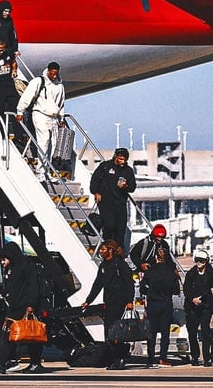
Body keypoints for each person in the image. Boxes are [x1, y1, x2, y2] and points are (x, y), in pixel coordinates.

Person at [0, 242, 46, 375]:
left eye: (4, 259)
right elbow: (12, 286)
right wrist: (1, 292)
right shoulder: (13, 267)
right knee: (17, 335)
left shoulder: (26, 265)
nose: (2, 262)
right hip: (15, 306)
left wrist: (31, 305)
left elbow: (33, 286)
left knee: (25, 335)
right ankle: (27, 363)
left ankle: (3, 363)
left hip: (24, 307)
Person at [80, 240, 135, 371]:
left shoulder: (120, 265)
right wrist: (88, 300)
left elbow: (129, 283)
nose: (101, 252)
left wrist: (129, 301)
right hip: (109, 303)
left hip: (120, 302)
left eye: (103, 250)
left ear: (110, 250)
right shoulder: (104, 265)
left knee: (116, 332)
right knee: (109, 332)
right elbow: (98, 284)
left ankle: (119, 358)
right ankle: (115, 358)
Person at [183, 249, 213, 367]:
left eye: (202, 261)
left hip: (206, 306)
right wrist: (192, 299)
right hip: (192, 307)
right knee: (192, 333)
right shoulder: (191, 274)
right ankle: (195, 356)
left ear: (206, 262)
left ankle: (207, 358)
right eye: (197, 260)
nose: (199, 263)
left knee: (205, 331)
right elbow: (186, 290)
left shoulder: (210, 274)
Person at [15, 61, 65, 163]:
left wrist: (62, 118)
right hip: (40, 114)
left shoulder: (60, 86)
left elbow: (61, 104)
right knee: (44, 141)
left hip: (54, 117)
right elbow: (27, 97)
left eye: (56, 74)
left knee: (53, 144)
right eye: (52, 74)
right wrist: (20, 111)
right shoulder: (38, 81)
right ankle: (41, 171)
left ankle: (47, 170)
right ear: (48, 71)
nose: (54, 76)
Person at [140, 247, 182, 367]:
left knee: (151, 333)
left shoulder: (150, 272)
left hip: (153, 304)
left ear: (156, 257)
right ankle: (163, 358)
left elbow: (142, 288)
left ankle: (151, 358)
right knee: (165, 333)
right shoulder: (171, 272)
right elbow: (176, 291)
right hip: (166, 304)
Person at [89, 148, 137, 248]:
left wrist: (126, 186)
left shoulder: (128, 171)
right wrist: (96, 192)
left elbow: (132, 187)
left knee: (121, 229)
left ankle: (118, 251)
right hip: (105, 201)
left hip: (120, 202)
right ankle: (107, 247)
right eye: (120, 159)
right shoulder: (105, 166)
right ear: (116, 157)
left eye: (124, 160)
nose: (122, 162)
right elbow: (95, 180)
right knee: (110, 225)